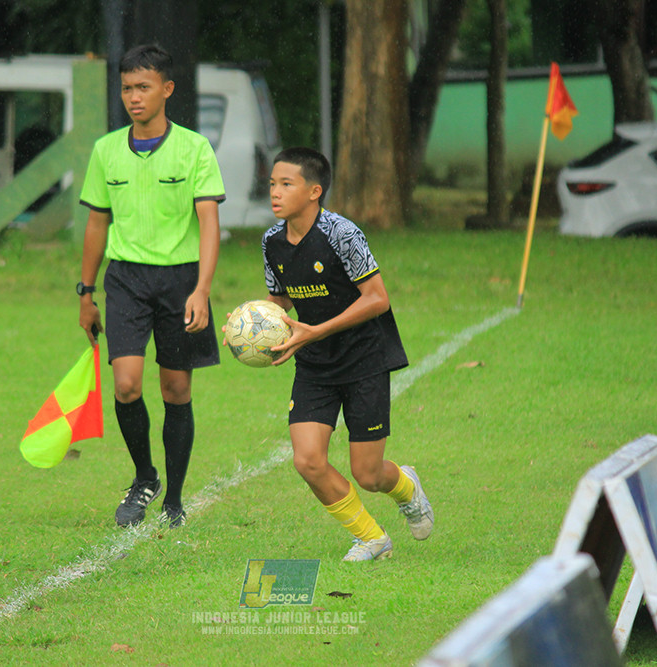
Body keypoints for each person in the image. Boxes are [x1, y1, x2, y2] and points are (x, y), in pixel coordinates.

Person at [256, 147, 433, 561]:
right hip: (315, 363)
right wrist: (252, 325)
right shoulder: (271, 241)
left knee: (368, 473)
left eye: (286, 184)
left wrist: (317, 329)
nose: (275, 193)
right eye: (271, 184)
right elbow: (278, 303)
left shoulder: (342, 233)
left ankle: (406, 487)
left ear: (314, 191)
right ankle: (371, 537)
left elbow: (377, 299)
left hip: (364, 359)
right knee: (308, 461)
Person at [78, 44, 225, 529]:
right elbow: (97, 225)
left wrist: (201, 289)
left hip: (180, 280)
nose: (133, 97)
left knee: (176, 388)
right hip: (125, 279)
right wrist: (85, 292)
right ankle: (145, 478)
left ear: (167, 89)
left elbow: (208, 225)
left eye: (143, 87)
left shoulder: (194, 149)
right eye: (126, 88)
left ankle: (175, 500)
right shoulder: (105, 151)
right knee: (125, 385)